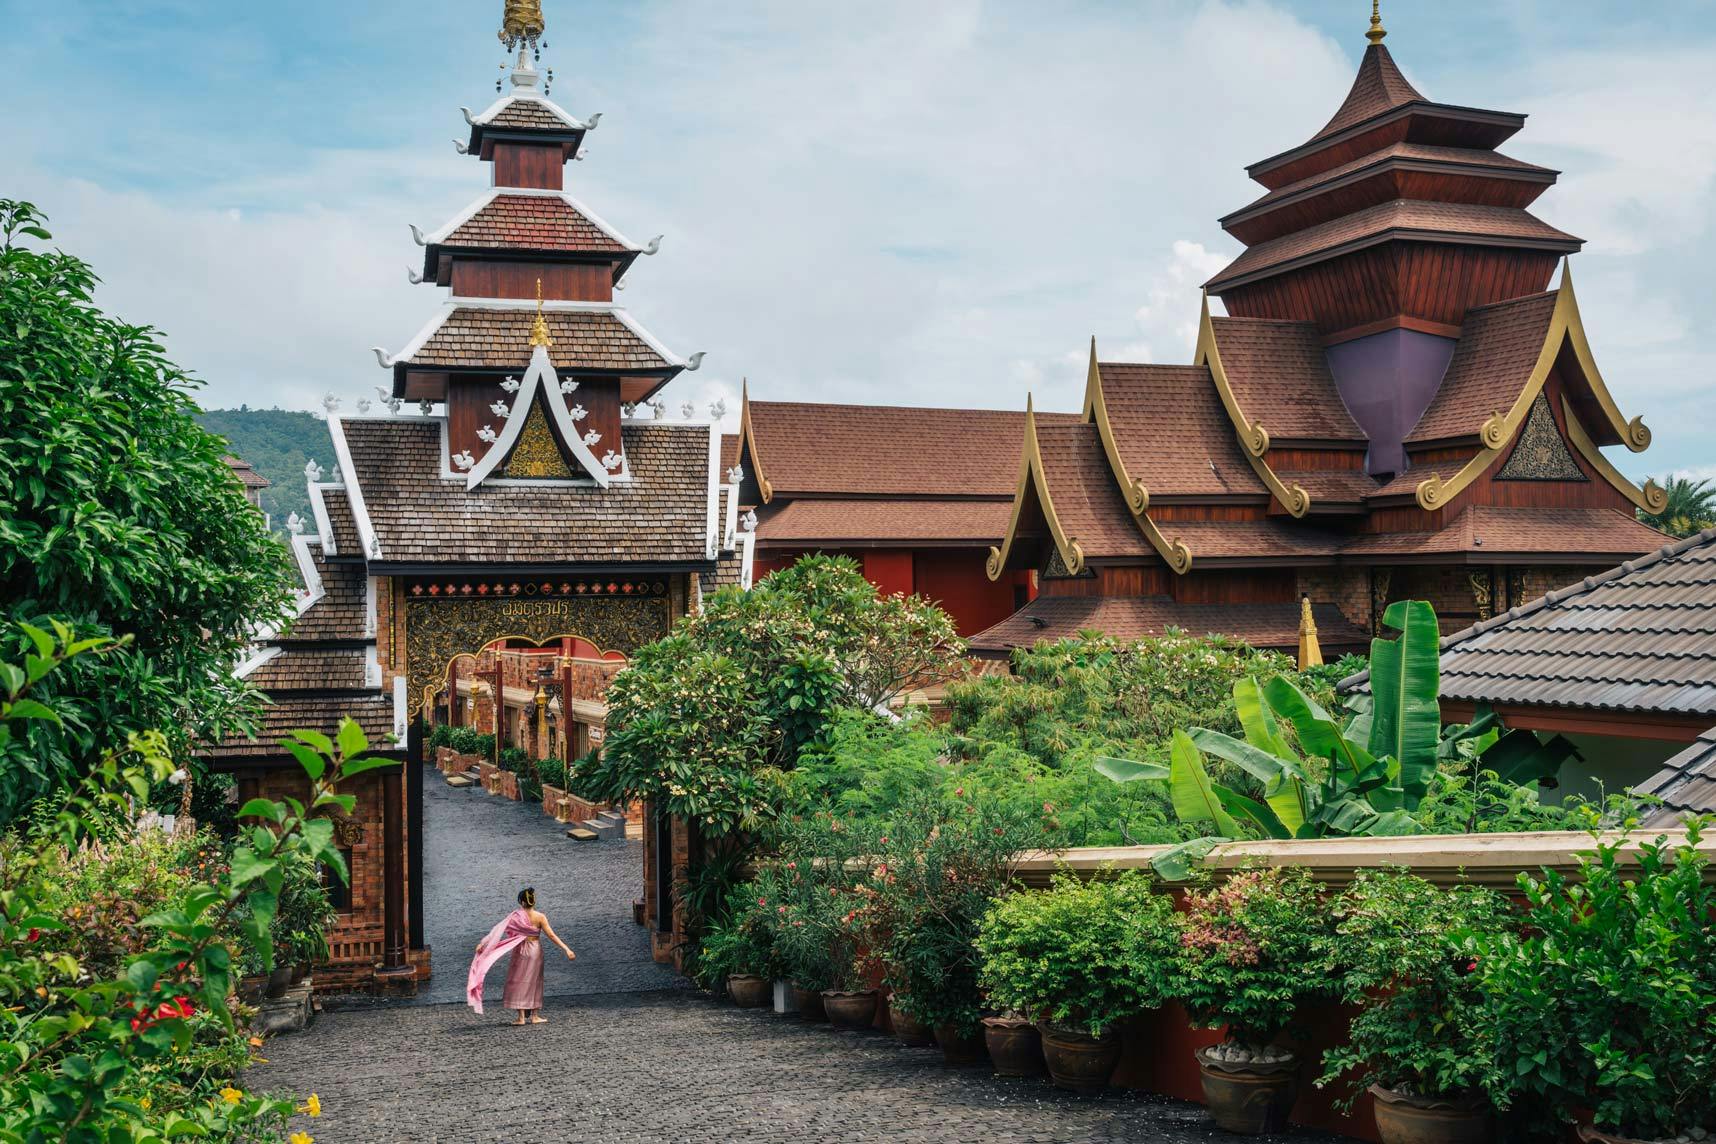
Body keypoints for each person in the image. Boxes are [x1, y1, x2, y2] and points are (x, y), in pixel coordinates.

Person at [466, 887, 575, 1024]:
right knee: (535, 981)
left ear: (522, 903)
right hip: (535, 950)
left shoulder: (515, 916)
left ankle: (521, 1017)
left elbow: (498, 930)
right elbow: (552, 935)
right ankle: (535, 1016)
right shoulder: (540, 917)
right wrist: (567, 949)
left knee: (518, 980)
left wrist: (483, 944)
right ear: (533, 901)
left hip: (520, 950)